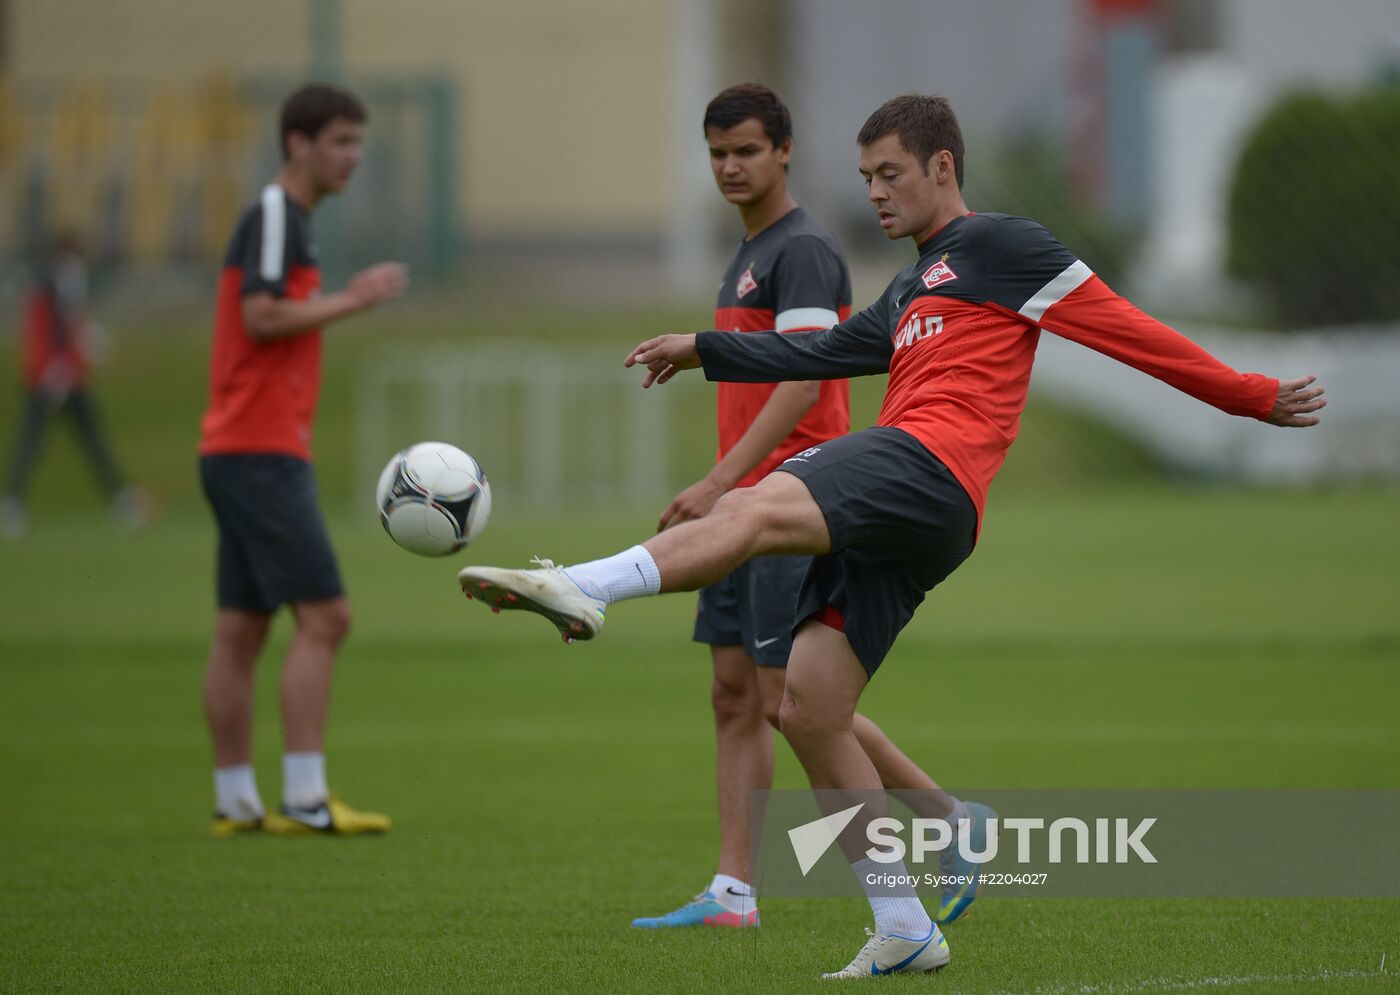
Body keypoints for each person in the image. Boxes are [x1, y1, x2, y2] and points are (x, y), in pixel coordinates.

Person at [457, 94, 1325, 977]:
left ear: (942, 168)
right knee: (807, 707)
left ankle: (586, 586)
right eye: (867, 176)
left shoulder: (1004, 245)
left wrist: (1248, 395)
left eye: (890, 173)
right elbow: (819, 351)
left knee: (755, 506)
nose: (874, 192)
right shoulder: (912, 285)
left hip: (930, 465)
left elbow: (1125, 329)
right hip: (921, 509)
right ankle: (906, 923)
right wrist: (702, 347)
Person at [630, 83, 990, 933]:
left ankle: (947, 819)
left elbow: (804, 376)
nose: (730, 166)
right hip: (743, 502)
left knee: (791, 700)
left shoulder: (803, 251)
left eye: (747, 150)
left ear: (783, 151)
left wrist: (724, 485)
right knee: (733, 693)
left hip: (790, 501)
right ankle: (733, 890)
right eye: (717, 152)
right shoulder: (748, 250)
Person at [199, 84, 408, 837]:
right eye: (340, 141)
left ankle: (234, 799)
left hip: (241, 449)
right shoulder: (277, 215)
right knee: (327, 617)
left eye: (358, 141)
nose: (352, 155)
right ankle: (307, 797)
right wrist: (353, 300)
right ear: (298, 143)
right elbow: (259, 317)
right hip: (257, 449)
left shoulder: (292, 221)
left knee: (241, 630)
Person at [1, 234, 147, 538]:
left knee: (92, 440)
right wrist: (49, 369)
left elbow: (71, 328)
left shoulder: (68, 287)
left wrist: (86, 347)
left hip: (71, 380)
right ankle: (12, 504)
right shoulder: (46, 287)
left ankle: (119, 498)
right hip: (47, 380)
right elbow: (42, 331)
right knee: (32, 442)